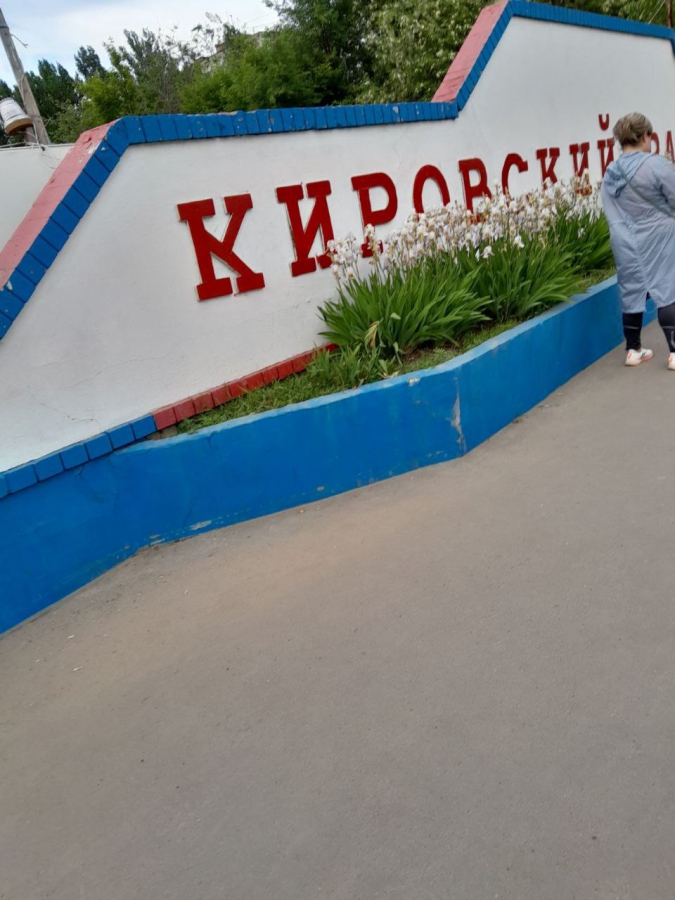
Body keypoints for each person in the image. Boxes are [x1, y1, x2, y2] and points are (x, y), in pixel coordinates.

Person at [601, 112, 675, 369]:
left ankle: (633, 350)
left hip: (625, 240)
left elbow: (610, 209)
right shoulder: (656, 165)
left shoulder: (611, 172)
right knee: (667, 288)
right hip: (659, 238)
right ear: (646, 136)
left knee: (632, 290)